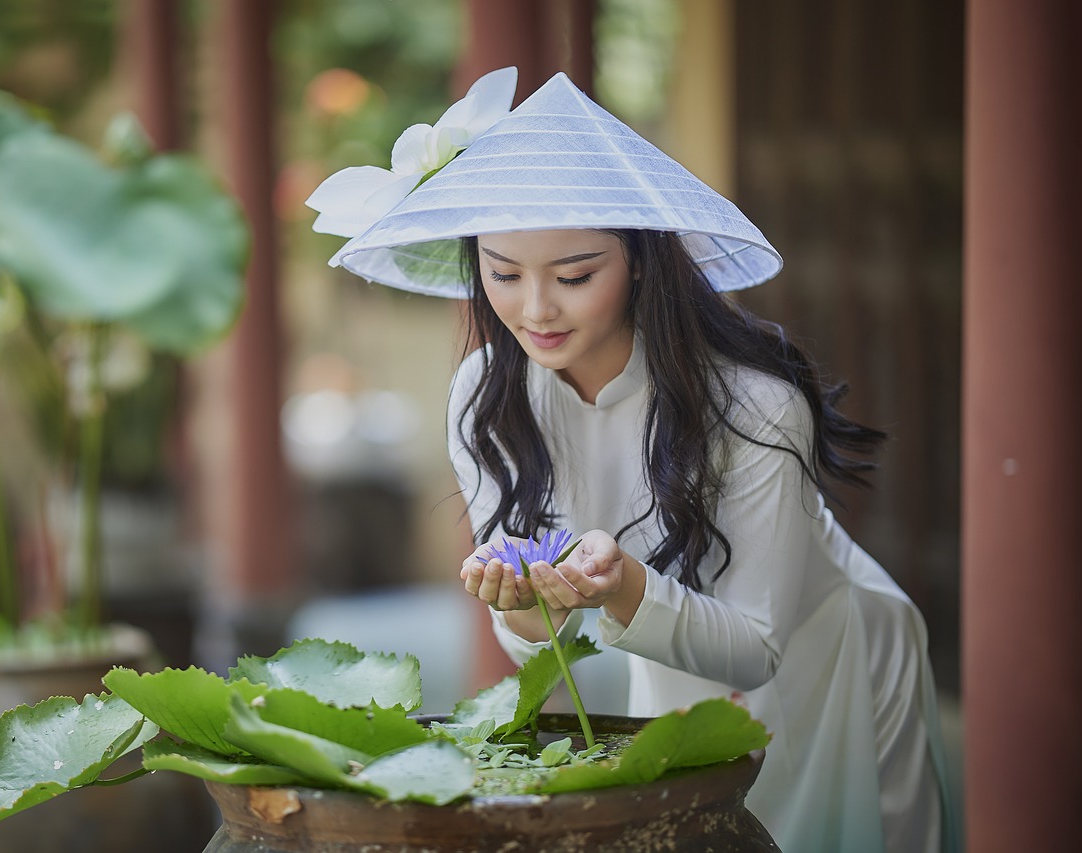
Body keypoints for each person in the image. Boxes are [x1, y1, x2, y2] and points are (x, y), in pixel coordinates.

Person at [307, 67, 955, 853]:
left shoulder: (752, 406)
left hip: (828, 659)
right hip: (672, 663)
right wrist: (518, 604)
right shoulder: (485, 396)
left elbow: (756, 646)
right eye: (503, 273)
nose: (535, 310)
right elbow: (530, 629)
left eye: (574, 276)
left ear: (642, 261)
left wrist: (624, 586)